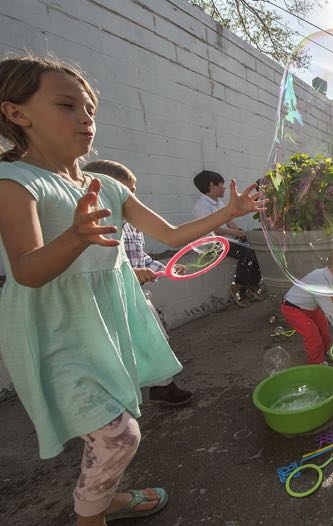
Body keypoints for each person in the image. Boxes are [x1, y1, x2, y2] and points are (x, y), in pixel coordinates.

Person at [0, 54, 263, 525]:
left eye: (90, 110)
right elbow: (27, 270)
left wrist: (226, 213)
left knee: (116, 420)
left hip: (107, 320)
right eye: (67, 106)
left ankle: (107, 498)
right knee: (119, 435)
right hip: (57, 331)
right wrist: (76, 237)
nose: (85, 119)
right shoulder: (15, 182)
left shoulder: (106, 184)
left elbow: (173, 236)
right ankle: (90, 517)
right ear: (17, 113)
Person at [83, 159, 192, 406]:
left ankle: (161, 387)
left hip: (134, 294)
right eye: (124, 191)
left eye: (132, 191)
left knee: (156, 337)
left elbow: (142, 257)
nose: (131, 198)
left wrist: (165, 268)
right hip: (103, 301)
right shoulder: (92, 227)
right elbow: (90, 267)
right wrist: (132, 272)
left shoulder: (132, 225)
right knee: (116, 351)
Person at [193, 169, 262, 307]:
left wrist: (241, 231)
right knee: (247, 253)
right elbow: (215, 230)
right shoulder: (202, 206)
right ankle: (238, 288)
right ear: (212, 185)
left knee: (257, 248)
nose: (224, 188)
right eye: (221, 185)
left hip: (225, 239)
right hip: (211, 243)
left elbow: (230, 221)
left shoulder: (219, 203)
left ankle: (253, 286)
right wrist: (236, 234)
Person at [281, 246, 333, 364]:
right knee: (312, 334)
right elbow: (329, 308)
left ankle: (323, 353)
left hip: (308, 308)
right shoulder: (320, 280)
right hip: (292, 308)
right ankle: (316, 364)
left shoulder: (329, 277)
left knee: (323, 325)